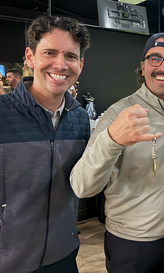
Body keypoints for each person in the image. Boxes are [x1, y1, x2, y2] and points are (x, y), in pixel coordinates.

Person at [70, 33, 164, 273]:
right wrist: (112, 139)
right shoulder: (120, 113)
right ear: (143, 66)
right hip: (131, 242)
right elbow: (82, 186)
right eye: (155, 58)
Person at [0, 15, 90, 272]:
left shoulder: (80, 118)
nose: (60, 64)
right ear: (30, 57)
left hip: (64, 255)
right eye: (50, 52)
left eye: (71, 56)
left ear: (80, 64)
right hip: (8, 260)